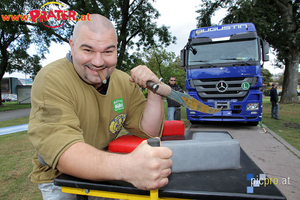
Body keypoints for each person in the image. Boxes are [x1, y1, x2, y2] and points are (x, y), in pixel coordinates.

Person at [28, 14, 172, 199]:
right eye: (88, 50)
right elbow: (65, 153)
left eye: (107, 51)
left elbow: (149, 132)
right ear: (72, 46)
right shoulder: (52, 79)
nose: (98, 62)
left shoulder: (123, 81)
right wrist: (129, 168)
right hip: (59, 179)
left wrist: (154, 92)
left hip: (105, 172)